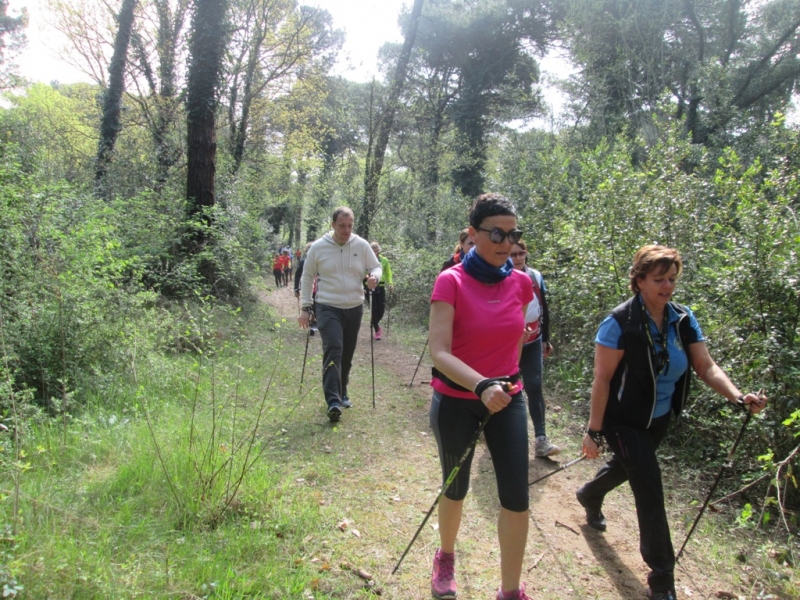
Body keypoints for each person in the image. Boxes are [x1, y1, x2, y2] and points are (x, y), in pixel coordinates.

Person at [576, 244, 768, 600]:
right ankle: (662, 578)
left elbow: (705, 366)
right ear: (639, 280)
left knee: (627, 467)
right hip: (624, 421)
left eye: (672, 279)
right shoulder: (619, 322)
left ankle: (589, 494)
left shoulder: (682, 318)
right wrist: (594, 431)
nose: (668, 286)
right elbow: (601, 380)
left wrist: (739, 396)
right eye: (659, 279)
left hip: (659, 418)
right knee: (649, 487)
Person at [428, 193, 533, 600]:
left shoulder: (522, 283)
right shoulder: (450, 280)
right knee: (456, 487)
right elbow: (439, 351)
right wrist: (480, 384)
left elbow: (516, 343)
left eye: (512, 234)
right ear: (473, 233)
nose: (506, 243)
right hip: (456, 400)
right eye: (496, 233)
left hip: (507, 399)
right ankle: (446, 557)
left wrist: (503, 382)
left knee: (516, 496)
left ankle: (510, 590)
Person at [298, 207, 382, 422]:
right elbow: (307, 277)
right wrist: (306, 307)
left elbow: (376, 266)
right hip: (327, 306)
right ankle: (333, 400)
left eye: (350, 225)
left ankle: (343, 391)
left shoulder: (361, 245)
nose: (346, 230)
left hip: (354, 307)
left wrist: (374, 277)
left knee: (347, 353)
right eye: (342, 225)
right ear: (333, 225)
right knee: (333, 348)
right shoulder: (318, 247)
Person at [510, 240, 558, 458]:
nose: (518, 258)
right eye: (513, 255)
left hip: (533, 340)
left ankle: (541, 439)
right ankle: (502, 434)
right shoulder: (500, 276)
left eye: (521, 253)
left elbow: (544, 307)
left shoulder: (536, 276)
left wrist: (546, 338)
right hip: (509, 343)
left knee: (535, 385)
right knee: (508, 387)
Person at [368, 241, 393, 340]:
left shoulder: (384, 260)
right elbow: (362, 272)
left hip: (381, 286)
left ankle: (374, 322)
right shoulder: (367, 260)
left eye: (377, 252)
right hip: (369, 286)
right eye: (374, 252)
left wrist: (390, 283)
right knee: (373, 309)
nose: (376, 254)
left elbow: (388, 273)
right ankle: (377, 329)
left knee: (381, 310)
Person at [294, 242, 317, 335]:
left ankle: (314, 322)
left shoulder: (321, 261)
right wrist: (296, 288)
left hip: (319, 289)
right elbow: (297, 275)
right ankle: (313, 322)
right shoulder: (303, 262)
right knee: (310, 306)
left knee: (316, 306)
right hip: (307, 287)